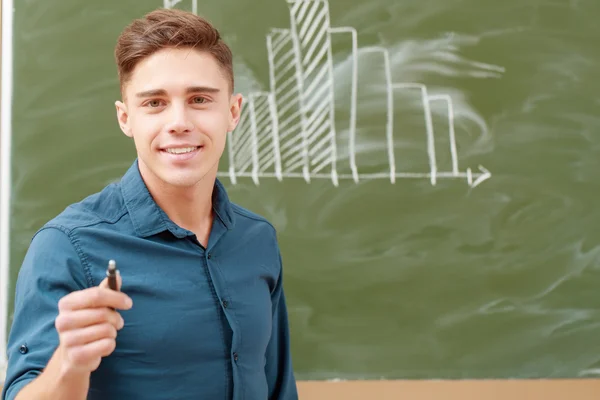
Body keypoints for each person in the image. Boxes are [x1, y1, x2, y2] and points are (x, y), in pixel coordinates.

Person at [1, 7, 298, 400]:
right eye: (154, 103)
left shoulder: (257, 240)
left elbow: (278, 388)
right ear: (126, 118)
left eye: (199, 99)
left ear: (233, 111)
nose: (178, 121)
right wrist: (69, 364)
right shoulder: (67, 246)